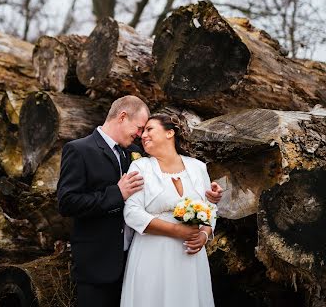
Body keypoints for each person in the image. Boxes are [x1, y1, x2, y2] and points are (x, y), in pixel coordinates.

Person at [57, 96, 222, 307]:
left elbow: (198, 198)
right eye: (139, 128)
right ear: (122, 117)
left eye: (146, 129)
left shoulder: (134, 154)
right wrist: (116, 193)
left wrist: (209, 205)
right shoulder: (80, 150)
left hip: (132, 256)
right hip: (98, 258)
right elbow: (67, 202)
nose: (140, 135)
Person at [120, 112, 217, 307]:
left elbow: (210, 208)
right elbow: (131, 212)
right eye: (142, 131)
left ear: (169, 133)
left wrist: (204, 235)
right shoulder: (140, 167)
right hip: (152, 253)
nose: (143, 135)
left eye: (149, 129)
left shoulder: (198, 167)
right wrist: (176, 230)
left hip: (190, 257)